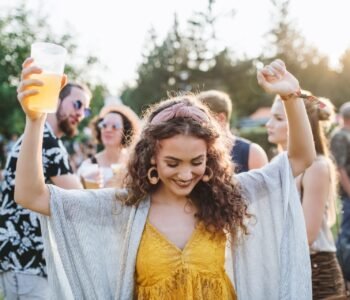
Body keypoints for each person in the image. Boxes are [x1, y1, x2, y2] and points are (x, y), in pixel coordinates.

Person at [14, 58, 315, 299]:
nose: (186, 174)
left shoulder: (226, 194)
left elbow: (301, 158)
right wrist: (36, 118)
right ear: (151, 159)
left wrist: (291, 95)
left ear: (209, 159)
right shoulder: (125, 207)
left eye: (197, 162)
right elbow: (31, 195)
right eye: (172, 162)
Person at [0, 57, 92, 299]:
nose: (81, 114)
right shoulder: (46, 141)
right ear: (57, 98)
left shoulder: (47, 139)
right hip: (26, 260)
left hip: (29, 261)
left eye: (86, 109)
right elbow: (80, 198)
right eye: (77, 104)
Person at [266, 94, 346, 299]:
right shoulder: (277, 163)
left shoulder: (316, 167)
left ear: (298, 122)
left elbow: (307, 234)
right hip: (285, 268)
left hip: (317, 271)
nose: (268, 124)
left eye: (278, 118)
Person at [198, 90, 268, 173]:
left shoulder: (252, 153)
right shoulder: (196, 151)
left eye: (201, 119)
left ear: (221, 118)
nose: (195, 124)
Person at [77, 104, 141, 189]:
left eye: (115, 126)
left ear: (126, 131)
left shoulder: (135, 164)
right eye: (104, 125)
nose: (108, 129)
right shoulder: (88, 166)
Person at [331, 102, 350, 283]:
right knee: (346, 238)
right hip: (348, 196)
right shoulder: (340, 137)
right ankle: (344, 276)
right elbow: (340, 168)